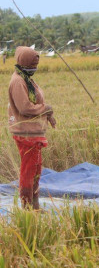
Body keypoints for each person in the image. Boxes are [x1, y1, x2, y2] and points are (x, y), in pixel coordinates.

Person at [8, 46, 56, 209]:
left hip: (33, 131)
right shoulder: (18, 81)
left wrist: (48, 115)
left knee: (36, 168)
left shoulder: (26, 78)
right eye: (31, 67)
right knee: (29, 170)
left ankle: (34, 203)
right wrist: (46, 109)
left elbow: (36, 102)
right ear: (23, 65)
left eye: (35, 67)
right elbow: (25, 108)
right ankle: (27, 205)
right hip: (25, 133)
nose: (33, 70)